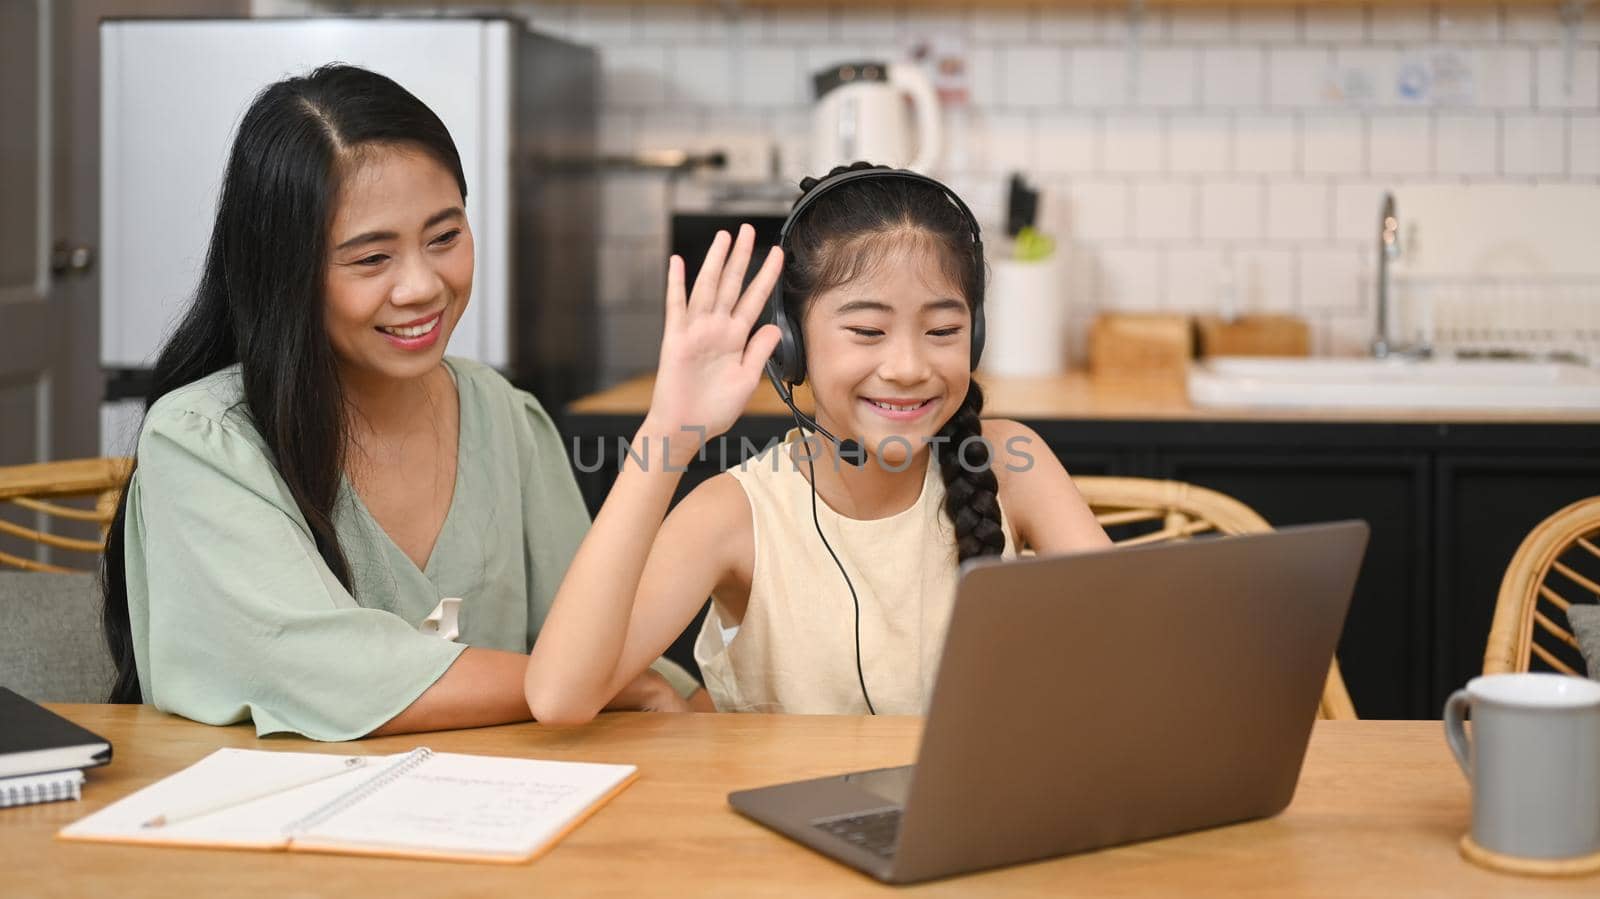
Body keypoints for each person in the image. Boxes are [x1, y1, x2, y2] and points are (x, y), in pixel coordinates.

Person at [99, 64, 702, 742]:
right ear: (285, 273)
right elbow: (328, 673)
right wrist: (598, 685)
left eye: (444, 237)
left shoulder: (504, 416)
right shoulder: (203, 441)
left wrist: (649, 685)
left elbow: (602, 634)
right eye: (370, 259)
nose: (421, 286)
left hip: (503, 819)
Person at [524, 163, 1111, 721]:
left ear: (975, 337)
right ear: (791, 344)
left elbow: (1135, 649)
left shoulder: (1014, 464)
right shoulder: (735, 515)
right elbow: (559, 698)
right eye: (866, 331)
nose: (907, 367)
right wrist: (668, 434)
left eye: (942, 331)